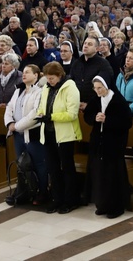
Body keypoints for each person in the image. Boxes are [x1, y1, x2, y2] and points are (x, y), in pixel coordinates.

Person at [36, 61, 82, 214]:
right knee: (53, 168)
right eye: (48, 78)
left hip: (65, 134)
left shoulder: (70, 87)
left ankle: (71, 200)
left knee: (67, 168)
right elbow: (42, 105)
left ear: (60, 75)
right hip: (48, 133)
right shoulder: (46, 88)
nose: (49, 81)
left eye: (52, 78)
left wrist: (51, 117)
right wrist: (41, 114)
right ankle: (57, 199)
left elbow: (72, 114)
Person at [84, 76, 132, 219]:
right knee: (98, 174)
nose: (97, 91)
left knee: (113, 175)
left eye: (100, 88)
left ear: (107, 87)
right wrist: (94, 118)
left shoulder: (118, 101)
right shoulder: (95, 100)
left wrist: (107, 120)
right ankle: (102, 204)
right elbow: (87, 116)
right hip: (98, 142)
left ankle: (116, 207)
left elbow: (127, 122)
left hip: (114, 144)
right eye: (95, 88)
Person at [4, 64, 48, 205]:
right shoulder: (19, 91)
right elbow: (9, 107)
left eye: (28, 72)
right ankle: (23, 191)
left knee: (38, 163)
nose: (24, 75)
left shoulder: (40, 91)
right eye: (23, 72)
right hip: (18, 135)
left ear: (36, 75)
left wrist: (16, 126)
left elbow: (35, 113)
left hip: (32, 133)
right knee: (22, 164)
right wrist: (10, 123)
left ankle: (42, 192)